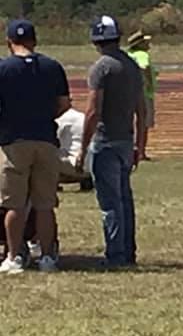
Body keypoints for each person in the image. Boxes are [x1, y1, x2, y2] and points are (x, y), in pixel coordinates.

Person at [0, 19, 71, 274]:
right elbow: (64, 104)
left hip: (14, 142)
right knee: (44, 204)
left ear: (10, 42)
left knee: (14, 204)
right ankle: (48, 257)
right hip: (46, 140)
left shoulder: (3, 68)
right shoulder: (53, 67)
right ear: (35, 41)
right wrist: (44, 116)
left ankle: (14, 256)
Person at [75, 16, 146, 269]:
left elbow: (93, 111)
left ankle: (115, 256)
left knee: (110, 204)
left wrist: (82, 148)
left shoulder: (101, 68)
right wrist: (141, 145)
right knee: (125, 200)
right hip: (126, 142)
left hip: (104, 142)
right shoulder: (131, 65)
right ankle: (128, 253)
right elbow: (142, 110)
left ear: (96, 39)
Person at [126, 30, 157, 161]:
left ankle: (129, 150)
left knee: (128, 122)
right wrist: (148, 81)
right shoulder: (142, 54)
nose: (148, 44)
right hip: (143, 93)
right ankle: (140, 152)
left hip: (127, 92)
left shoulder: (128, 55)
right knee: (143, 123)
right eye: (145, 42)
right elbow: (144, 67)